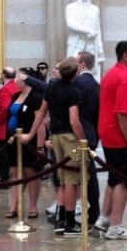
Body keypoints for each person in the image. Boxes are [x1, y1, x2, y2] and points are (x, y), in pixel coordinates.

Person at [33, 58, 87, 235]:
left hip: (55, 136)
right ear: (75, 73)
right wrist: (83, 141)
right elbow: (74, 120)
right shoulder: (73, 92)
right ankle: (70, 222)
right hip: (69, 137)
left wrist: (31, 134)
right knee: (72, 181)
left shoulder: (51, 87)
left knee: (63, 179)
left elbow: (41, 112)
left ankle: (60, 218)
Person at [95, 40, 127, 240]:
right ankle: (116, 226)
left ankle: (104, 218)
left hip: (107, 132)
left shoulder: (111, 73)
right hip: (118, 136)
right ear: (125, 56)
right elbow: (123, 114)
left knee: (114, 178)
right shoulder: (124, 78)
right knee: (123, 181)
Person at [5, 68, 46, 219]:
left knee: (31, 173)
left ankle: (33, 205)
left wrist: (40, 146)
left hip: (30, 141)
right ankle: (13, 206)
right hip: (13, 140)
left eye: (18, 77)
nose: (15, 80)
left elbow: (41, 123)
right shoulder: (15, 95)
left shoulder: (36, 98)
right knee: (14, 173)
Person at [75, 51, 102, 227]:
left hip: (78, 134)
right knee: (91, 174)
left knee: (75, 175)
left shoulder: (76, 83)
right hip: (92, 132)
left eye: (77, 63)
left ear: (82, 65)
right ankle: (94, 210)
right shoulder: (97, 85)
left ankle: (69, 210)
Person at [65, 0, 105, 75]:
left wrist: (100, 47)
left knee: (94, 70)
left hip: (91, 42)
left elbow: (98, 29)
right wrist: (87, 30)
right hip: (77, 42)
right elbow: (70, 24)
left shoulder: (95, 9)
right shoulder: (71, 7)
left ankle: (94, 88)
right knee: (70, 67)